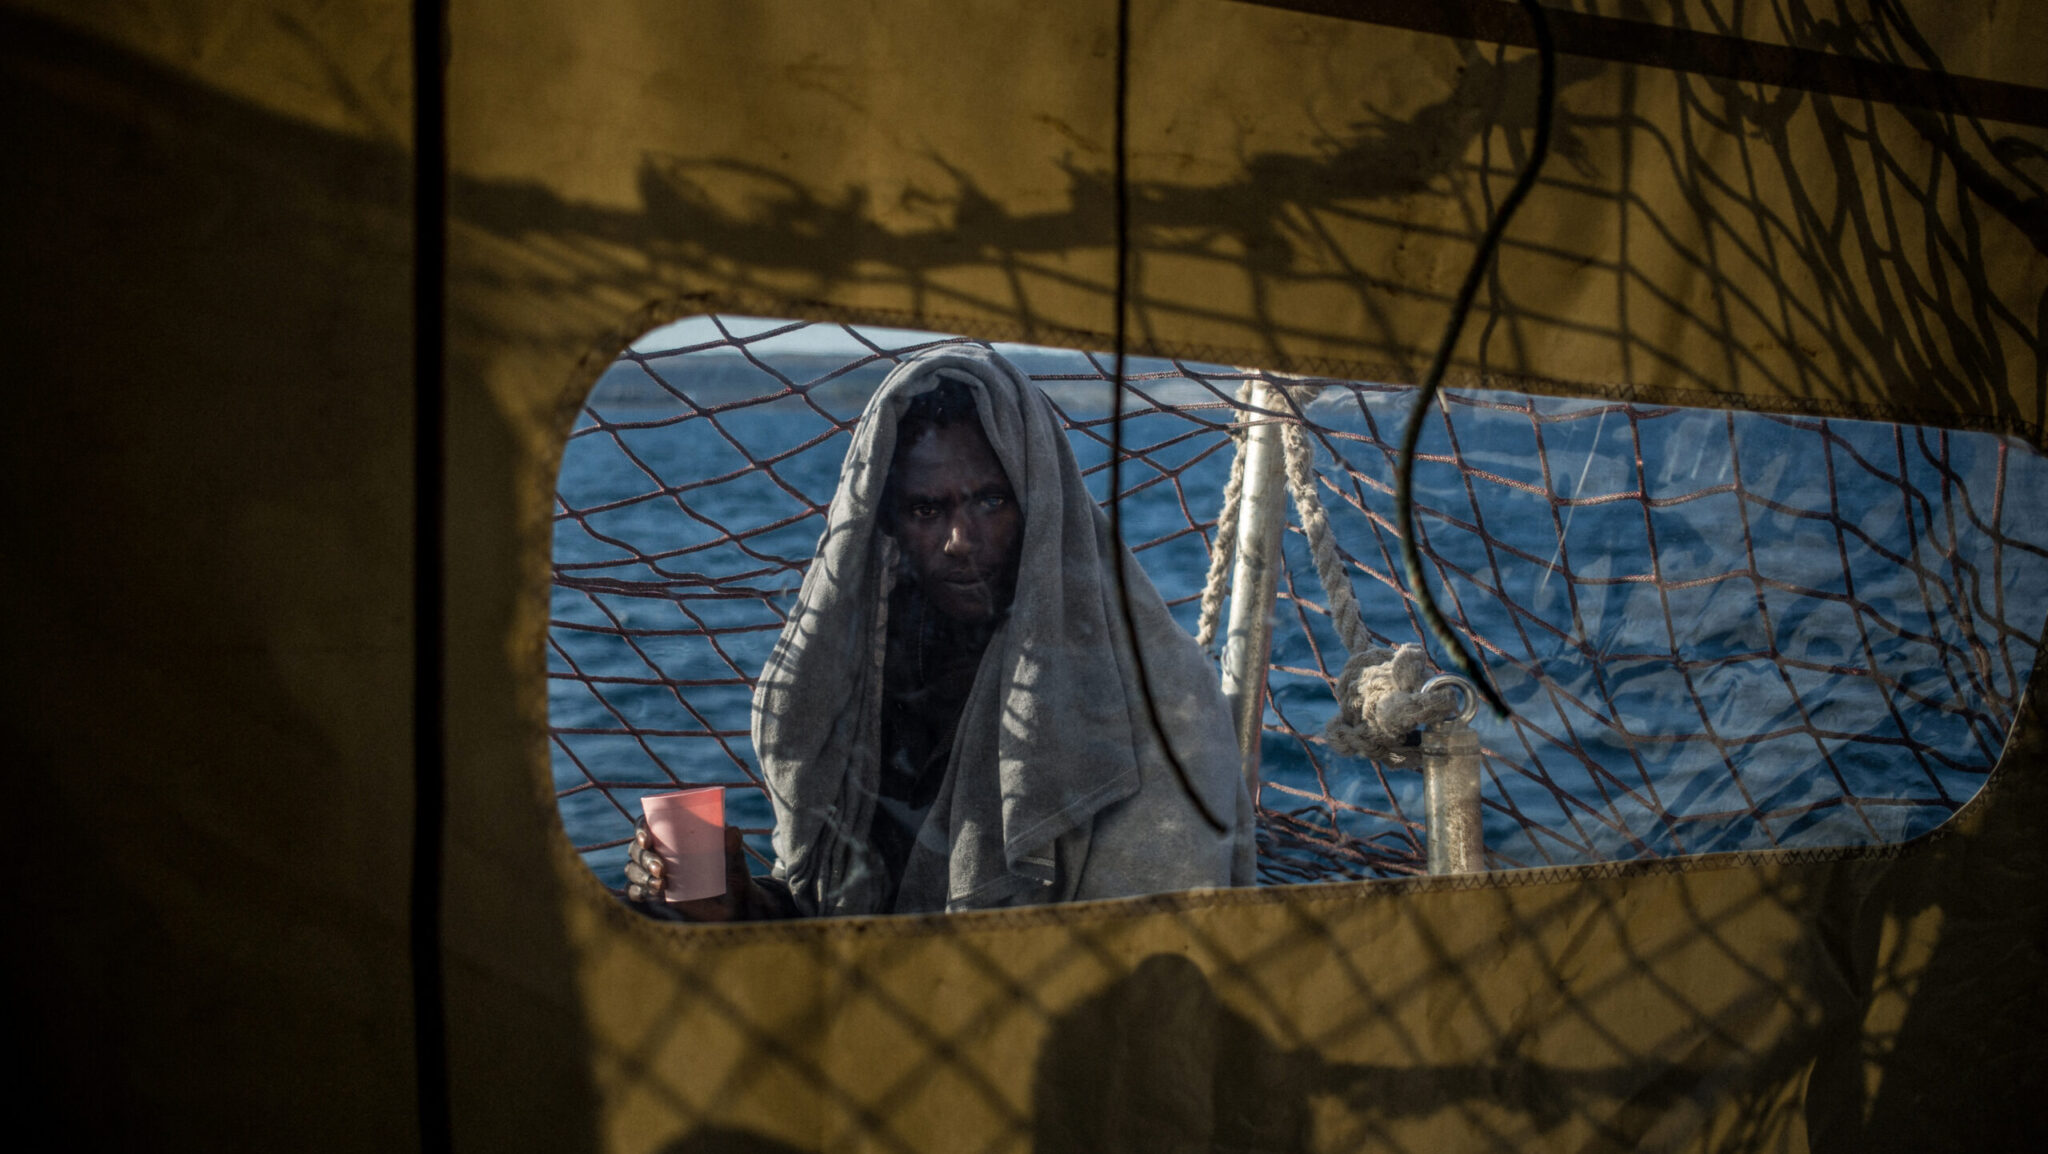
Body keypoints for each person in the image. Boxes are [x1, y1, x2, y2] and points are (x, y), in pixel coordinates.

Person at [627, 345, 1254, 918]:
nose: (960, 540)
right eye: (927, 509)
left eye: (991, 501)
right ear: (889, 522)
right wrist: (741, 904)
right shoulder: (866, 680)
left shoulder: (1158, 699)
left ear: (1039, 505)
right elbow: (847, 918)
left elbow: (1159, 959)